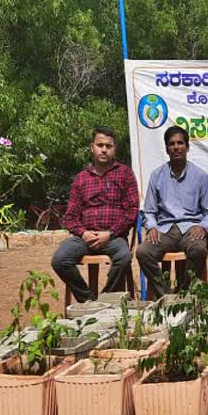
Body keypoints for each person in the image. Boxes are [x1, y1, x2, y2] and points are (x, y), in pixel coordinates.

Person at [52, 126, 140, 302]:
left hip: (113, 237)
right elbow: (69, 217)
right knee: (60, 260)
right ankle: (88, 300)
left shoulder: (125, 174)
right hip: (85, 237)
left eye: (109, 146)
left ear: (114, 149)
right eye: (100, 145)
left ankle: (106, 299)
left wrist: (110, 234)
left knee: (124, 257)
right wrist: (84, 233)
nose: (104, 150)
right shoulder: (81, 179)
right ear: (92, 147)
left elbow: (132, 211)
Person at [135, 126, 208, 297]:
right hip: (164, 231)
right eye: (172, 144)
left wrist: (202, 226)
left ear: (187, 147)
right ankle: (166, 295)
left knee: (199, 251)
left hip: (191, 230)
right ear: (166, 149)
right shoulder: (157, 176)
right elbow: (149, 211)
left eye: (180, 143)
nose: (176, 147)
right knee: (143, 252)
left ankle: (184, 293)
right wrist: (152, 227)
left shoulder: (200, 176)